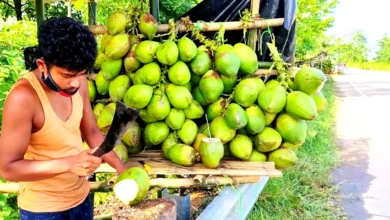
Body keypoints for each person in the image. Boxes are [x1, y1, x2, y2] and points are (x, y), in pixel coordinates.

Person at [0, 17, 127, 219]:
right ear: (42, 65)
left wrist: (122, 168)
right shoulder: (23, 98)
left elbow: (92, 132)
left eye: (82, 74)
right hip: (42, 210)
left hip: (81, 198)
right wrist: (69, 164)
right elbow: (7, 168)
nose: (76, 83)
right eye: (67, 75)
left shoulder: (79, 82)